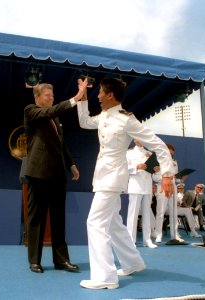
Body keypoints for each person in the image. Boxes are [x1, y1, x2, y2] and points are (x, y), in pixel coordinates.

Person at [77, 77, 175, 290]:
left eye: (101, 93)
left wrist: (167, 174)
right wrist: (82, 98)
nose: (99, 97)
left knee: (95, 222)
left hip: (113, 178)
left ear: (110, 94)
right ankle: (133, 262)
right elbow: (84, 122)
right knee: (113, 223)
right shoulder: (104, 115)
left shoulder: (127, 120)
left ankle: (105, 277)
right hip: (103, 176)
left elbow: (159, 146)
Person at [23, 80, 86, 273]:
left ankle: (61, 260)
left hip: (58, 176)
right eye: (47, 95)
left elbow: (61, 144)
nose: (51, 98)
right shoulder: (31, 111)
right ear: (37, 97)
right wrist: (75, 98)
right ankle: (35, 260)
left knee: (59, 219)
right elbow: (49, 112)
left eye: (52, 95)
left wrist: (71, 165)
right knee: (36, 219)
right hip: (38, 174)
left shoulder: (55, 120)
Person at [125, 140, 156, 248]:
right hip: (135, 185)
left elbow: (154, 172)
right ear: (134, 139)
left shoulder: (150, 153)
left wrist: (156, 170)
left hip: (147, 185)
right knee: (132, 214)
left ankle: (147, 240)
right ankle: (131, 240)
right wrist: (136, 167)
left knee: (147, 213)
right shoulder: (129, 153)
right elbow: (124, 168)